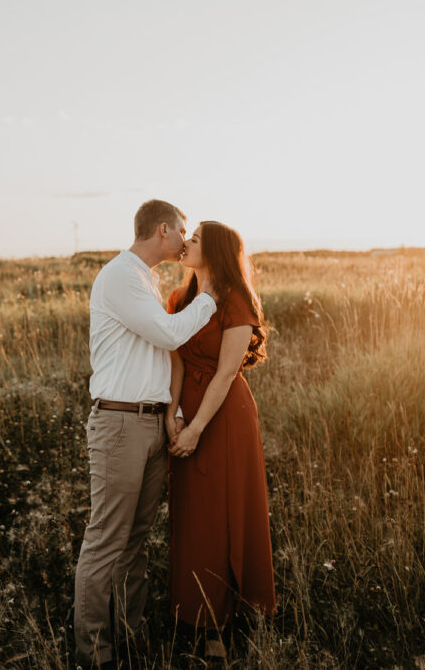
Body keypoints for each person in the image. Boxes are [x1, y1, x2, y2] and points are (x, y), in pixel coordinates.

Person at [74, 199, 217, 669]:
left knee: (135, 540)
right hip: (119, 424)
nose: (185, 238)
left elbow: (157, 357)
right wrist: (211, 298)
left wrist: (171, 413)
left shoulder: (145, 280)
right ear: (163, 230)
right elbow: (169, 335)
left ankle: (131, 637)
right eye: (182, 230)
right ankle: (96, 654)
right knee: (106, 540)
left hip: (151, 422)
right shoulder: (120, 277)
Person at [166, 221, 276, 656]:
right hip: (185, 411)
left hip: (224, 417)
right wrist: (173, 412)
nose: (185, 243)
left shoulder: (236, 301)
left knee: (224, 511)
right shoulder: (178, 299)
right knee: (192, 513)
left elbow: (228, 372)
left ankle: (224, 621)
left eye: (193, 239)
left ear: (213, 250)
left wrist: (196, 428)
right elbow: (174, 361)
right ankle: (192, 612)